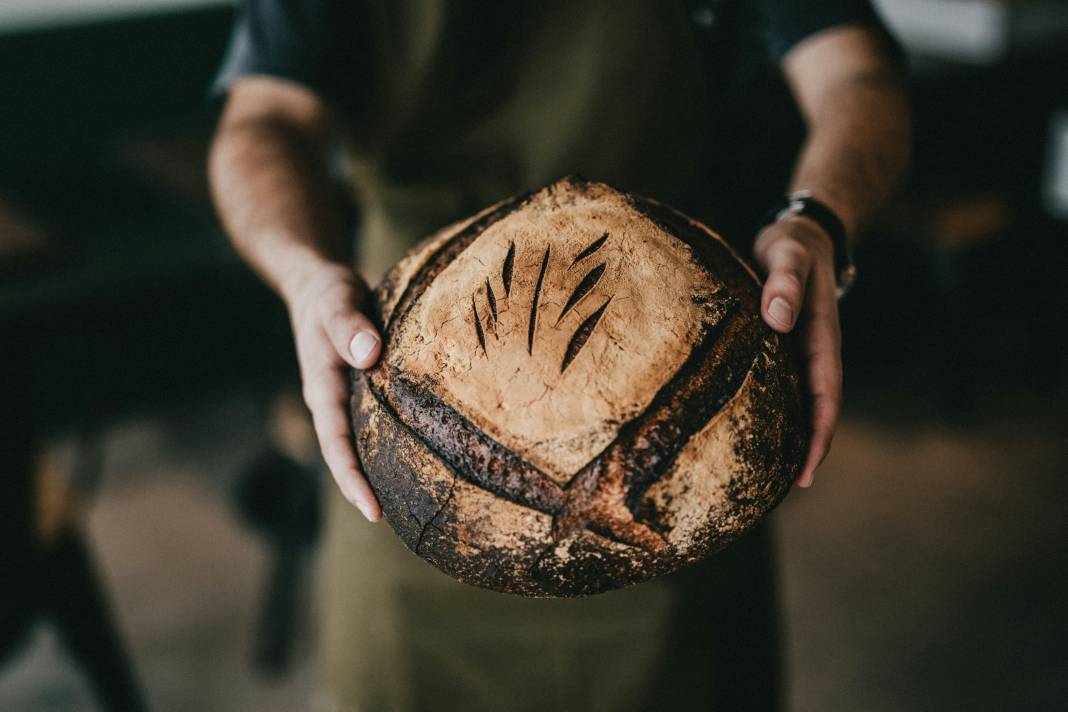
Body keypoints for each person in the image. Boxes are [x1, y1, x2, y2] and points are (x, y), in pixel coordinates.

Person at [208, 2, 910, 709]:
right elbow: (261, 120)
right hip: (409, 405)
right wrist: (304, 275)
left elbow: (857, 76)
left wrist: (817, 220)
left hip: (672, 373)